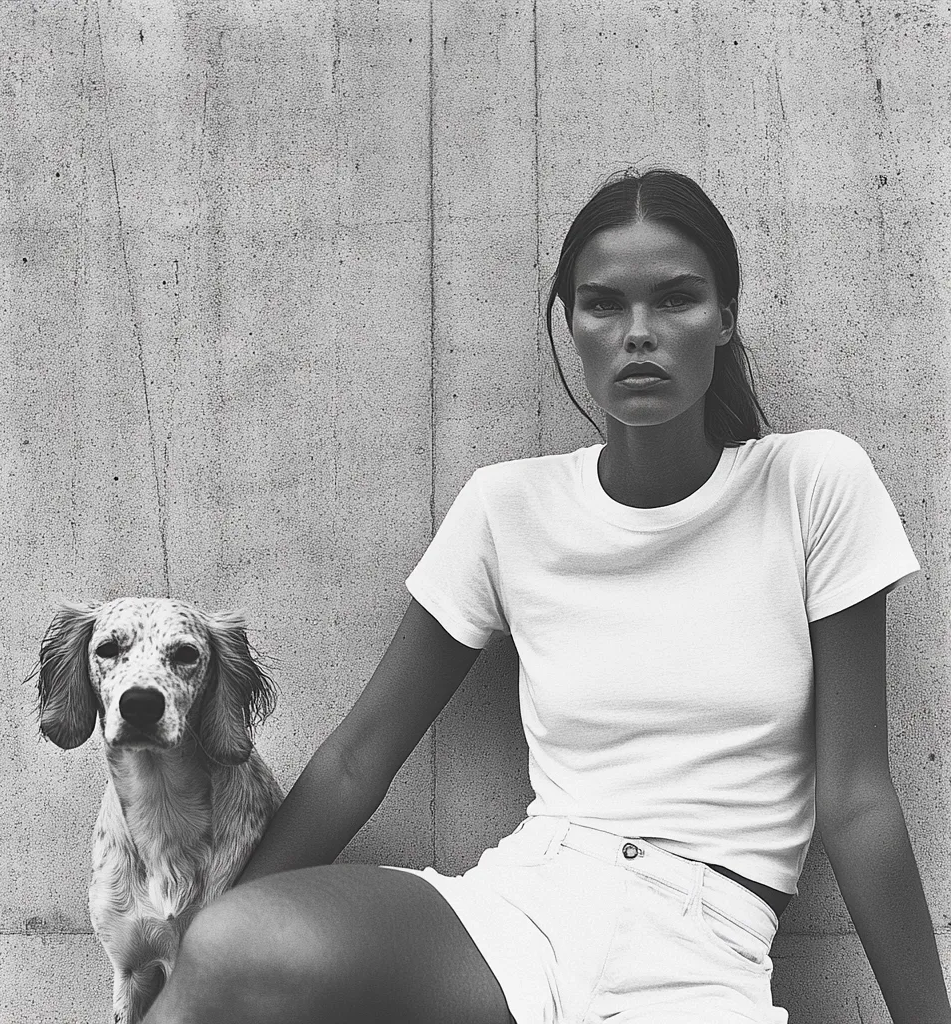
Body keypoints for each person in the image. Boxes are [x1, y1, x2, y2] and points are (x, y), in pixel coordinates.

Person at [144, 169, 950, 1024]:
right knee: (233, 949)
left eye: (677, 299)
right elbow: (358, 756)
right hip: (528, 907)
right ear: (572, 325)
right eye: (604, 305)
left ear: (726, 318)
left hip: (705, 943)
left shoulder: (812, 484)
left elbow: (857, 799)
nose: (639, 333)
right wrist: (204, 947)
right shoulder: (508, 507)